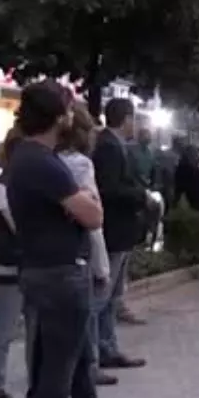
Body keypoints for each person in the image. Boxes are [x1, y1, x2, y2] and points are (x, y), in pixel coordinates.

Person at [7, 80, 137, 398]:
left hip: (45, 271)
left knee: (74, 359)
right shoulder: (43, 163)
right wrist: (86, 204)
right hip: (59, 274)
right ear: (56, 116)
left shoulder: (28, 158)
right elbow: (94, 215)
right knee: (59, 366)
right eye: (66, 109)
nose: (71, 116)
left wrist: (81, 206)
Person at [58, 107, 116, 385]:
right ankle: (87, 367)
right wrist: (102, 265)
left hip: (60, 252)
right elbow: (94, 218)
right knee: (91, 309)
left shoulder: (52, 160)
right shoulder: (81, 165)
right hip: (83, 248)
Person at [90, 97, 148, 370]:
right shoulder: (108, 148)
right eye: (133, 118)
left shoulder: (116, 146)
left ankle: (107, 348)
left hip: (122, 230)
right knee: (103, 296)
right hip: (113, 230)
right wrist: (140, 195)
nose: (135, 124)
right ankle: (95, 352)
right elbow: (109, 190)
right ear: (125, 119)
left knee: (113, 296)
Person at [0, 132, 27, 398]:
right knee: (5, 328)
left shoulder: (20, 183)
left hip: (28, 264)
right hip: (10, 264)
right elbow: (18, 226)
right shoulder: (2, 186)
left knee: (29, 329)